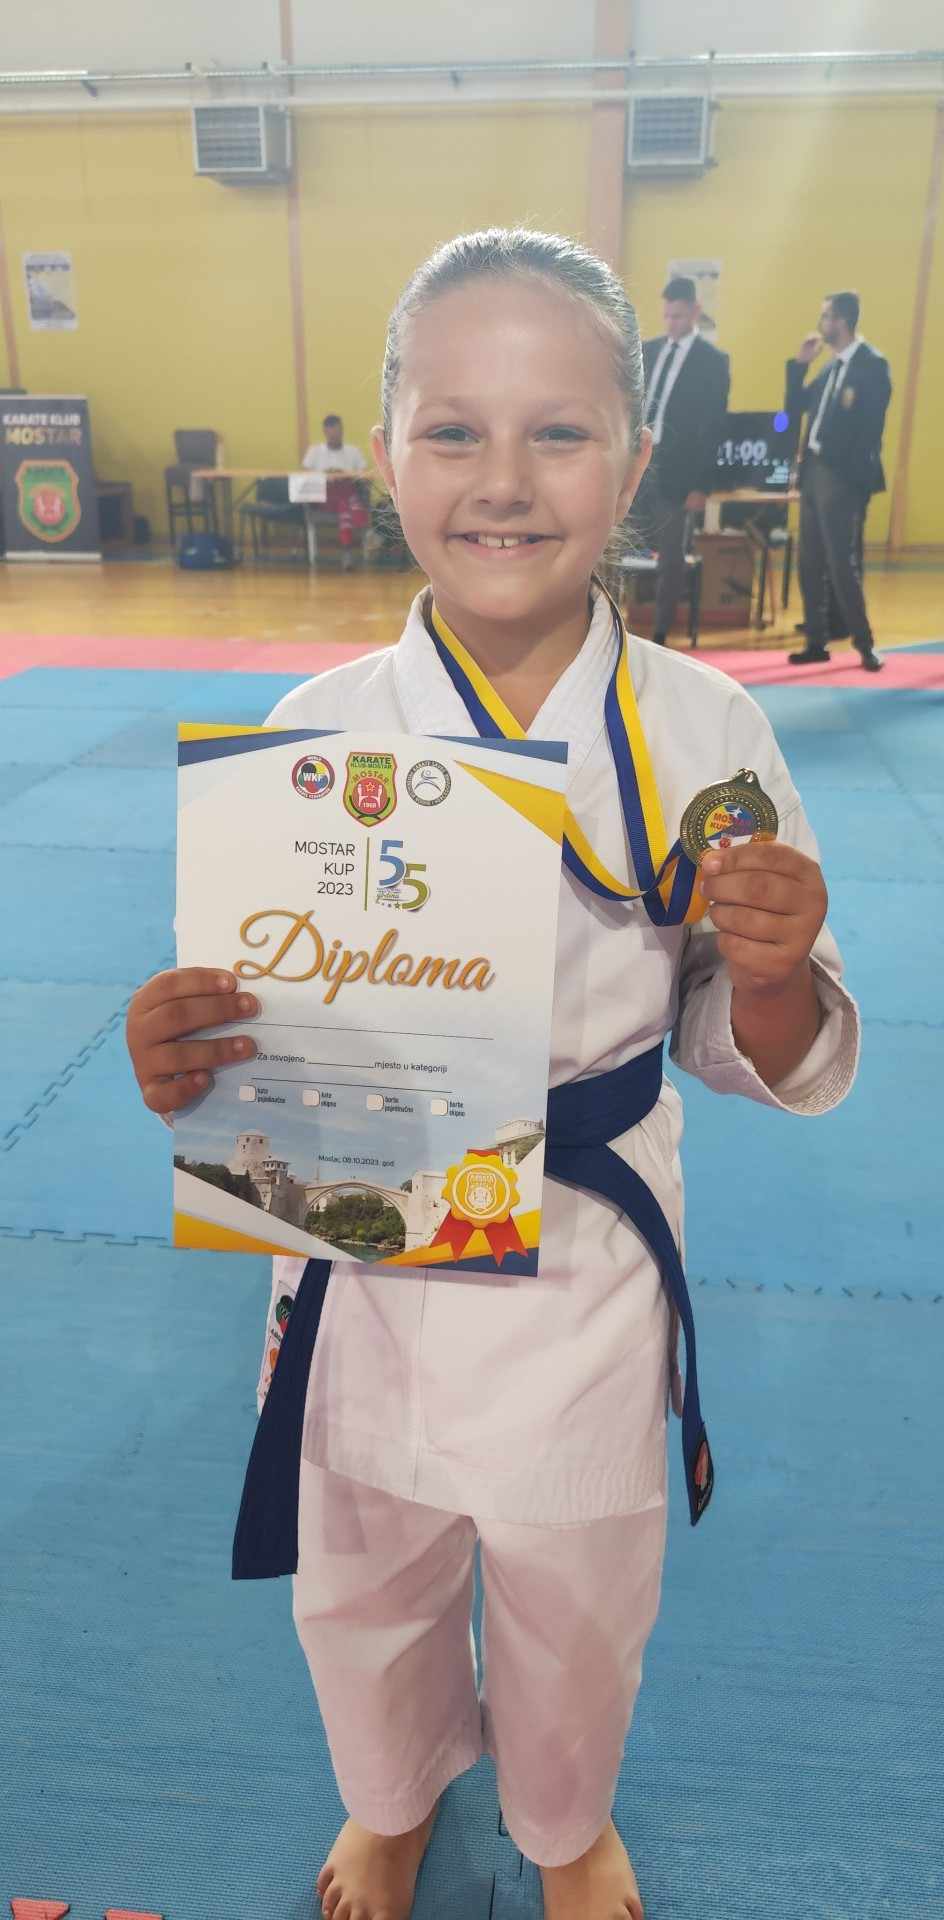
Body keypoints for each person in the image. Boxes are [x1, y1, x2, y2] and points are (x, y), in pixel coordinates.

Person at [126, 230, 859, 1920]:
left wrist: (766, 975)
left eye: (558, 431)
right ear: (382, 452)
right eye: (452, 430)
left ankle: (560, 1822)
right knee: (361, 1576)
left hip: (585, 1266)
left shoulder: (706, 733)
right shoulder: (315, 726)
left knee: (576, 1587)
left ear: (634, 457)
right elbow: (243, 1037)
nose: (503, 480)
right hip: (358, 1244)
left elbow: (745, 1041)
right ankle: (390, 1798)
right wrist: (184, 1063)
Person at [785, 292, 890, 671]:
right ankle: (816, 640)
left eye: (826, 316)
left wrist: (848, 479)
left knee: (841, 564)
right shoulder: (829, 369)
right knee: (809, 561)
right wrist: (800, 366)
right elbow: (794, 408)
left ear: (841, 321)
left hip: (841, 477)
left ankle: (864, 643)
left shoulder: (872, 365)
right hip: (813, 472)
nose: (821, 323)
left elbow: (871, 431)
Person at [635, 275, 730, 645]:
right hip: (638, 461)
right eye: (667, 316)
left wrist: (701, 485)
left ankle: (660, 632)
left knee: (670, 556)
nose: (671, 323)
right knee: (615, 543)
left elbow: (713, 427)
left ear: (695, 311)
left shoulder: (712, 361)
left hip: (678, 471)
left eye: (678, 316)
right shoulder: (648, 351)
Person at [303, 413, 370, 569]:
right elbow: (305, 478)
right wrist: (326, 475)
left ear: (342, 431)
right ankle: (363, 529)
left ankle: (347, 551)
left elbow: (365, 477)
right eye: (331, 433)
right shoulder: (315, 452)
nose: (334, 436)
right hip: (324, 498)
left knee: (344, 501)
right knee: (347, 501)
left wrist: (344, 474)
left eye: (337, 432)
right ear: (325, 433)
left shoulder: (353, 452)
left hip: (347, 493)